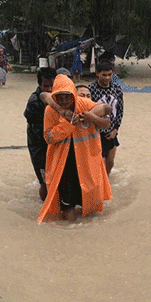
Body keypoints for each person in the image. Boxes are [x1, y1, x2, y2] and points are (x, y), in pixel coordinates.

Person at [38, 74, 112, 223]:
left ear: (74, 94)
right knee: (68, 203)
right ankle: (70, 234)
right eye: (60, 97)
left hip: (86, 162)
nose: (64, 101)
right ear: (55, 97)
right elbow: (49, 138)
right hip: (64, 165)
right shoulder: (50, 111)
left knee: (89, 200)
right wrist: (67, 123)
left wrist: (91, 117)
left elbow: (107, 114)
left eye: (68, 96)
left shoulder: (84, 104)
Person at [23, 67, 57, 201]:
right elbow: (41, 133)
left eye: (51, 86)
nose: (49, 89)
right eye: (45, 86)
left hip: (54, 143)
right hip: (39, 148)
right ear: (39, 85)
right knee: (44, 181)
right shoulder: (34, 103)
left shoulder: (60, 96)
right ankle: (45, 206)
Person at [88, 60, 123, 176]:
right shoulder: (90, 90)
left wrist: (115, 129)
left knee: (110, 163)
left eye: (110, 74)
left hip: (112, 131)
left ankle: (106, 184)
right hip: (96, 133)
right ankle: (100, 186)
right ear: (97, 73)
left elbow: (120, 111)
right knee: (98, 164)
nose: (107, 78)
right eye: (104, 75)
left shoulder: (117, 89)